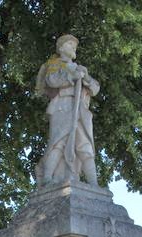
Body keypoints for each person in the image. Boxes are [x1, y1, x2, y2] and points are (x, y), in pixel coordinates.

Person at [36, 34, 100, 186]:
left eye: (74, 45)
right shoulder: (55, 64)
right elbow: (51, 80)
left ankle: (94, 184)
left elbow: (95, 88)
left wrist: (86, 79)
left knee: (85, 146)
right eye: (70, 44)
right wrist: (70, 76)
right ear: (61, 48)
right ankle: (47, 178)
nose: (74, 47)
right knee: (58, 141)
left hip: (81, 108)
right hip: (62, 105)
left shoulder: (81, 68)